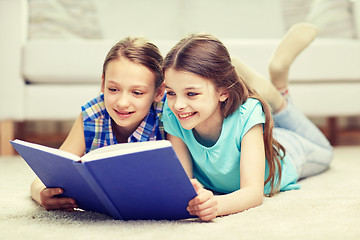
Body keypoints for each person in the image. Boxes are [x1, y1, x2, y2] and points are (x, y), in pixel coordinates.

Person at [161, 23, 333, 221]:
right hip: (258, 137)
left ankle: (279, 96)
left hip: (287, 152)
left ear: (223, 91)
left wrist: (216, 205)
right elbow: (184, 182)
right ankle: (275, 96)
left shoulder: (247, 113)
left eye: (192, 93)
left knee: (326, 151)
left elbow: (252, 193)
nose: (178, 104)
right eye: (171, 93)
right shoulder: (172, 111)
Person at [31, 37, 166, 211]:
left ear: (159, 92)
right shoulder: (91, 116)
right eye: (113, 89)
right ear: (103, 83)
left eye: (137, 92)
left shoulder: (166, 117)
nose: (122, 102)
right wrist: (40, 193)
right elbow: (46, 176)